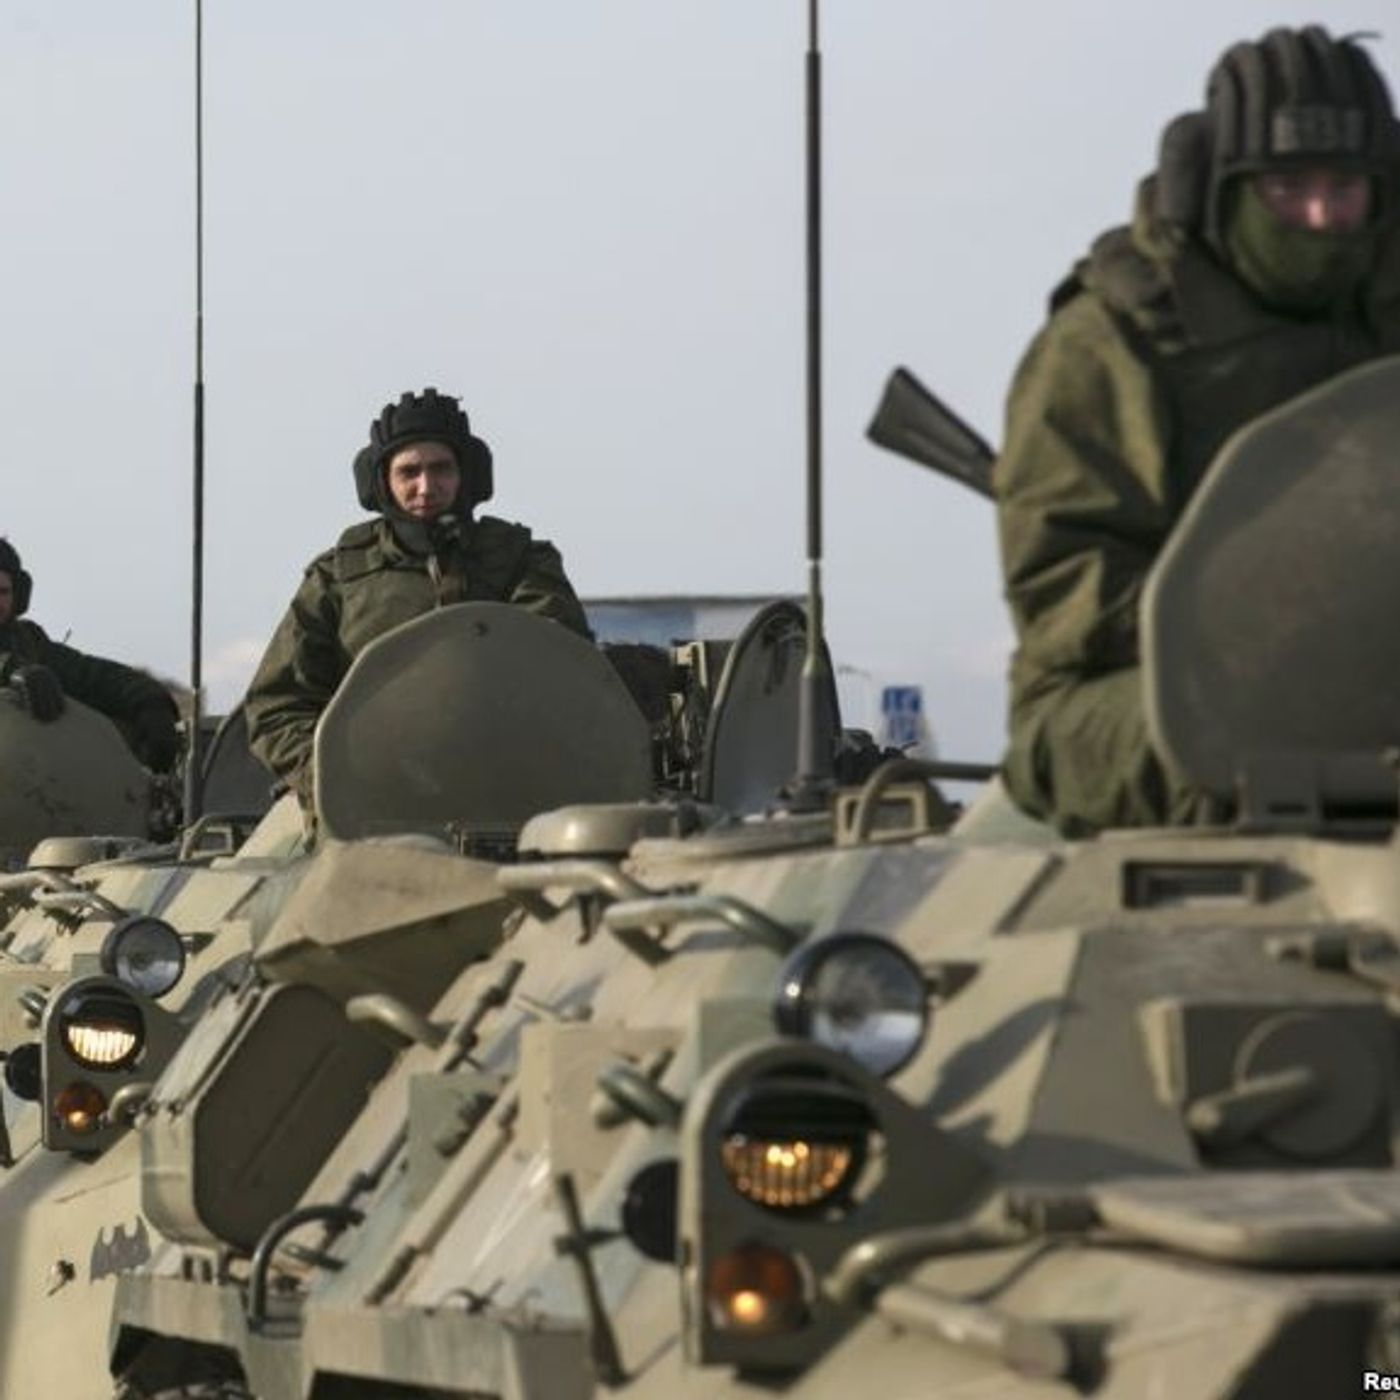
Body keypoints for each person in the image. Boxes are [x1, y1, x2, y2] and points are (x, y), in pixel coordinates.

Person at [996, 25, 1400, 835]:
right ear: (1222, 189)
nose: (1321, 216)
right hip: (1136, 694)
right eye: (1288, 189)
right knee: (1259, 759)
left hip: (1374, 688)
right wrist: (1262, 623)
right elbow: (1067, 586)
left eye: (1345, 188)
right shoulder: (1116, 342)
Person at [245, 387, 592, 803]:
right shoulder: (338, 578)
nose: (426, 487)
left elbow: (562, 669)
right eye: (409, 472)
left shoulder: (520, 562)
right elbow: (277, 705)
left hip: (508, 795)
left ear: (467, 474)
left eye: (441, 469)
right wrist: (330, 775)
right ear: (382, 481)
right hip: (368, 806)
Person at [0, 538, 180, 772]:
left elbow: (92, 676)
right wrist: (10, 670)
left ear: (18, 595)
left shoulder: (29, 642)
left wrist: (149, 700)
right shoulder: (17, 661)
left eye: (2, 592)